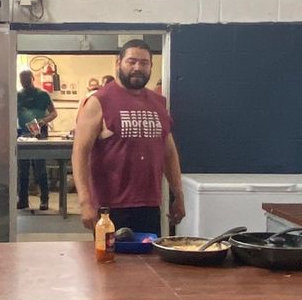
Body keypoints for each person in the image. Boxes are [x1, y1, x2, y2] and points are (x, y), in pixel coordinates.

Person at [73, 40, 184, 237]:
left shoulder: (158, 103)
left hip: (149, 204)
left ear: (151, 66)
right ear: (118, 63)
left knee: (149, 263)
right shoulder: (99, 101)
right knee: (111, 265)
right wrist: (85, 202)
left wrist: (179, 194)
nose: (137, 68)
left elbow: (168, 153)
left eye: (144, 63)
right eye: (131, 62)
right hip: (110, 208)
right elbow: (80, 153)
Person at [16, 69, 56, 212]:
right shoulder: (18, 96)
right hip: (22, 133)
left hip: (40, 133)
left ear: (32, 78)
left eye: (27, 79)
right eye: (22, 80)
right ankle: (23, 199)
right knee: (22, 169)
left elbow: (53, 113)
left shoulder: (43, 95)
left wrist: (43, 121)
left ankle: (44, 199)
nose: (25, 82)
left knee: (40, 167)